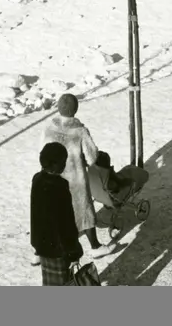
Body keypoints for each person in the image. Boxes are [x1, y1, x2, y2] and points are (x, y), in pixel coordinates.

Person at [41, 94, 112, 256]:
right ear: (75, 110)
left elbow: (42, 150)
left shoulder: (49, 127)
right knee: (84, 211)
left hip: (52, 177)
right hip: (75, 181)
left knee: (52, 211)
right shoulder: (80, 131)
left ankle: (41, 250)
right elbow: (92, 157)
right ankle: (95, 247)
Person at [30, 141, 84, 285]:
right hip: (59, 248)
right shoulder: (60, 186)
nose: (64, 165)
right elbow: (66, 222)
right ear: (54, 164)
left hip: (42, 244)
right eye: (62, 162)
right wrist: (74, 250)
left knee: (49, 281)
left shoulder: (37, 179)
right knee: (62, 282)